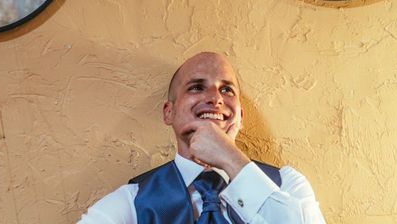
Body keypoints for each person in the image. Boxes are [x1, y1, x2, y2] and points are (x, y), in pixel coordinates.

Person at [79, 52, 326, 223]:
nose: (215, 98)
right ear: (169, 112)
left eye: (226, 89)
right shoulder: (133, 201)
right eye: (196, 87)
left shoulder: (287, 184)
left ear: (240, 115)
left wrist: (231, 159)